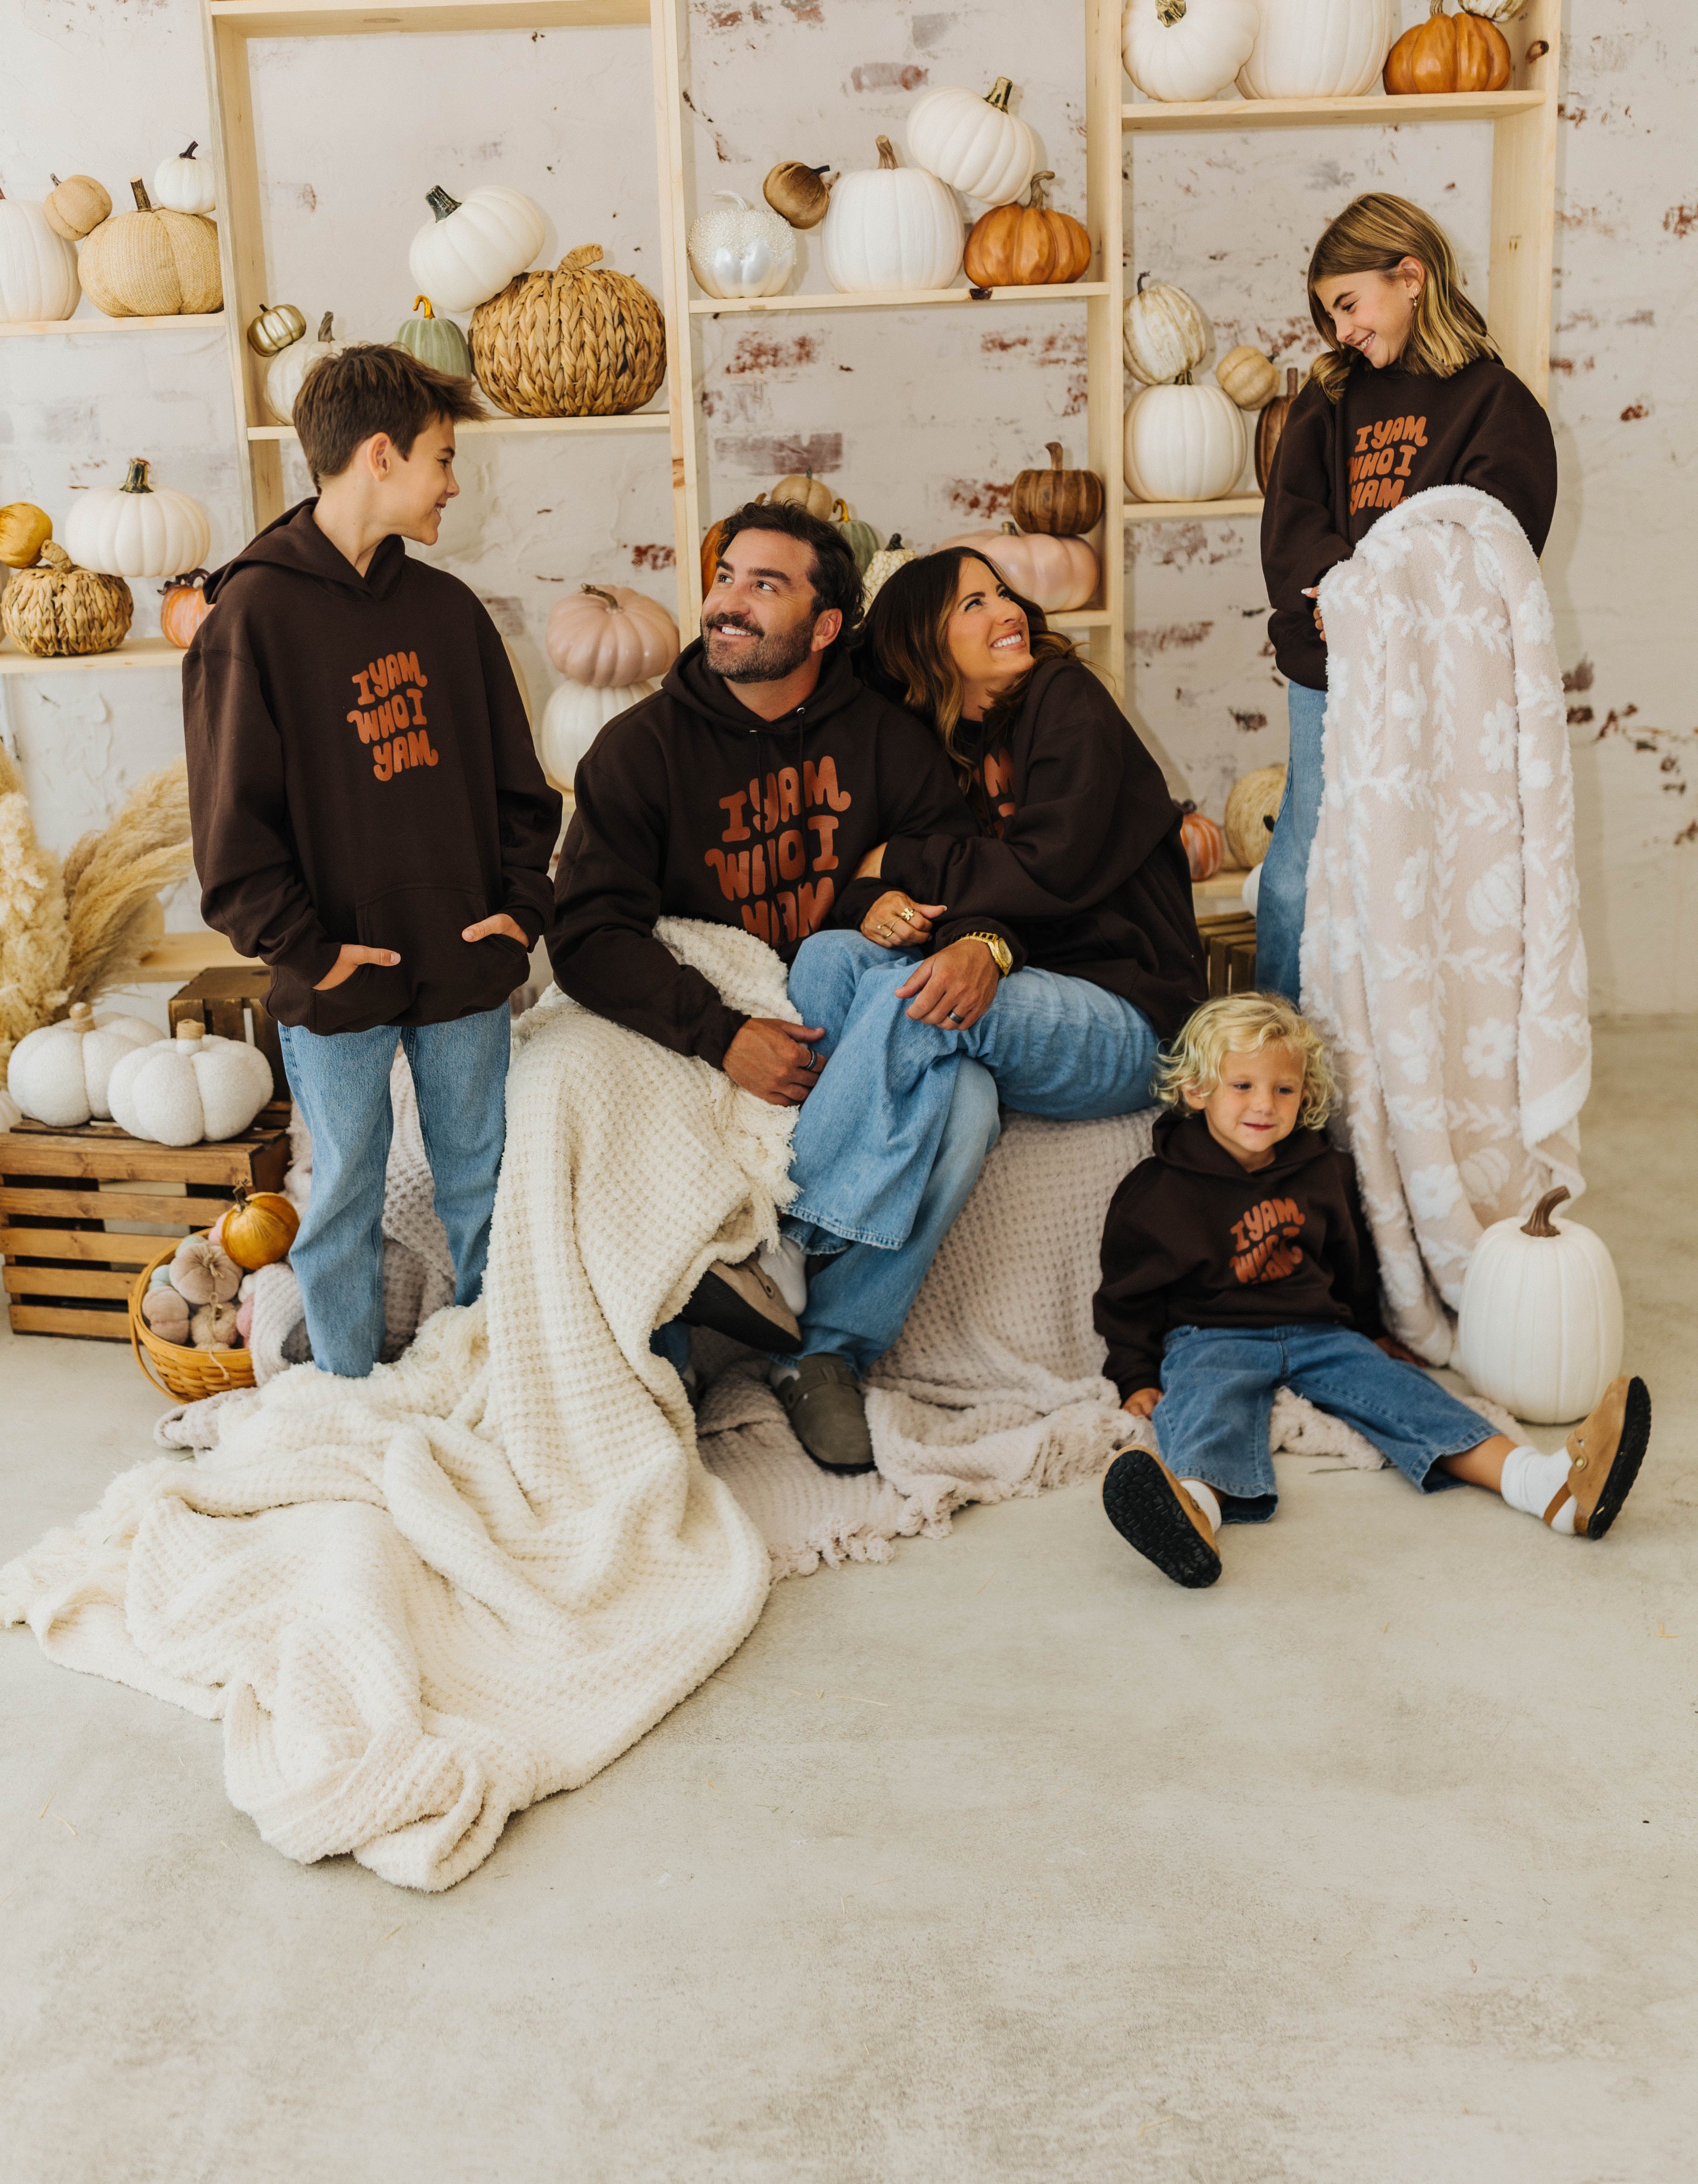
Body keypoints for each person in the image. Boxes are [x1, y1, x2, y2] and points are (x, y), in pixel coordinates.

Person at [546, 500, 1007, 1469]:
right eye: (724, 580)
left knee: (969, 1096)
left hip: (839, 1021)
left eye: (766, 585)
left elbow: (961, 864)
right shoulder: (640, 752)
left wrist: (978, 940)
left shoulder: (884, 740)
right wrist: (721, 1034)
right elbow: (588, 934)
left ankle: (823, 1346)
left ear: (826, 625)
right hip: (712, 1024)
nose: (729, 604)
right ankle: (673, 1333)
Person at [772, 546, 1208, 1469]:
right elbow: (887, 881)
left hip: (1129, 1011)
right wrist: (867, 899)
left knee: (910, 995)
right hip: (1024, 998)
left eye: (1002, 592)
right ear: (924, 644)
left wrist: (946, 906)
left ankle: (774, 1235)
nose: (1007, 608)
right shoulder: (934, 753)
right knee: (840, 969)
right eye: (974, 601)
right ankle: (827, 1354)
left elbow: (1052, 868)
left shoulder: (1063, 696)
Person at [183, 344, 559, 1378]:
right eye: (442, 457)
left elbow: (523, 793)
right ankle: (349, 1405)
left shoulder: (447, 613)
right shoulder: (249, 619)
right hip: (335, 971)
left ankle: (500, 1386)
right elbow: (230, 835)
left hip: (465, 964)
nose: (453, 482)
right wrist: (311, 951)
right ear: (380, 455)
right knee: (342, 1193)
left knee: (480, 1181)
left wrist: (520, 913)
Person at [1093, 992, 1651, 1589]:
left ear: (1303, 1095)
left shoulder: (1322, 1170)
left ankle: (1543, 1486)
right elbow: (1127, 1295)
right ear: (1197, 1090)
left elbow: (1351, 1263)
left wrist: (1373, 1331)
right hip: (1213, 1335)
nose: (1265, 1105)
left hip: (1319, 1332)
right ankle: (1191, 1514)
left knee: (1409, 1396)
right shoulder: (1154, 1190)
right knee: (1205, 1407)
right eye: (1243, 1086)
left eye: (1283, 1089)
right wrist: (1137, 1375)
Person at [1257, 192, 1559, 1005]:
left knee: (1419, 880)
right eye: (1329, 316)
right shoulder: (1328, 397)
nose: (1341, 330)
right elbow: (1293, 525)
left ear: (1411, 275)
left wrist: (1388, 596)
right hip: (1329, 673)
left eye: (1348, 304)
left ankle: (1396, 1075)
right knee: (1296, 874)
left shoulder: (1496, 405)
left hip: (1439, 683)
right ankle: (1267, 1070)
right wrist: (1346, 597)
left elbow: (1497, 539)